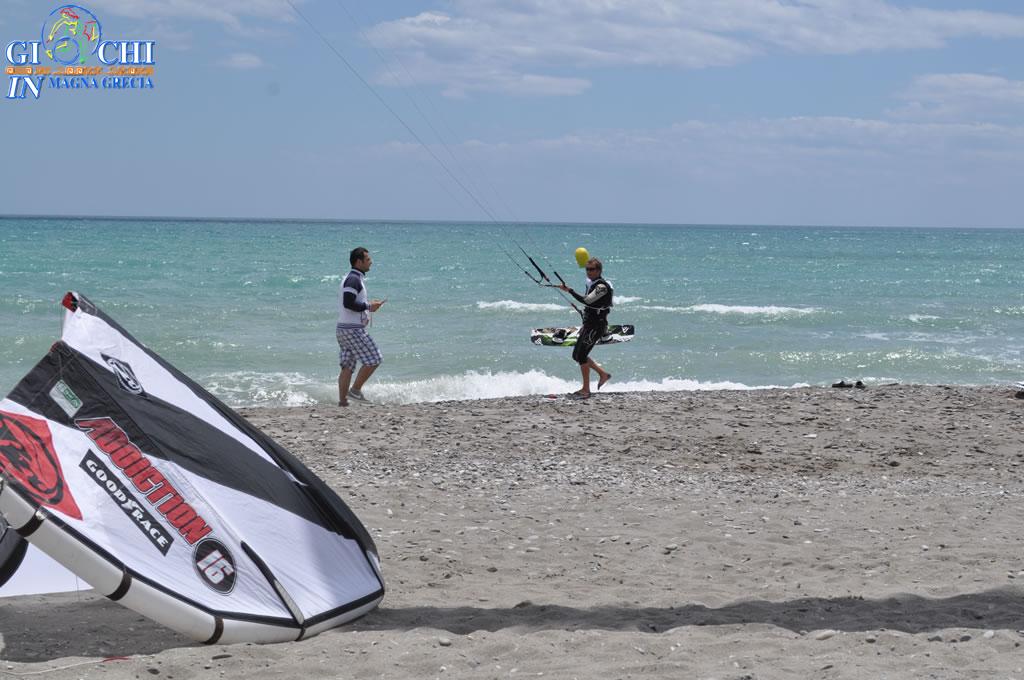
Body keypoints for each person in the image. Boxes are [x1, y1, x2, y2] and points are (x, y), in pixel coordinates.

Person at [558, 257, 613, 399]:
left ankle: (586, 389)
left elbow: (587, 301)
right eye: (587, 269)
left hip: (597, 326)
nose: (589, 272)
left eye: (592, 269)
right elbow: (590, 307)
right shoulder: (592, 284)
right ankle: (603, 374)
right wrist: (584, 324)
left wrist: (570, 290)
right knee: (576, 355)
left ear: (599, 270)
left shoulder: (602, 287)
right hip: (589, 325)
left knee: (581, 356)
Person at [337, 247, 385, 406]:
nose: (371, 262)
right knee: (375, 358)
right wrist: (369, 307)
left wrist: (368, 306)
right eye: (368, 259)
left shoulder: (350, 278)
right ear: (359, 261)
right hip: (352, 329)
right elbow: (348, 302)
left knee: (348, 366)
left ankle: (343, 402)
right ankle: (355, 391)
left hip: (343, 329)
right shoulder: (353, 279)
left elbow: (350, 302)